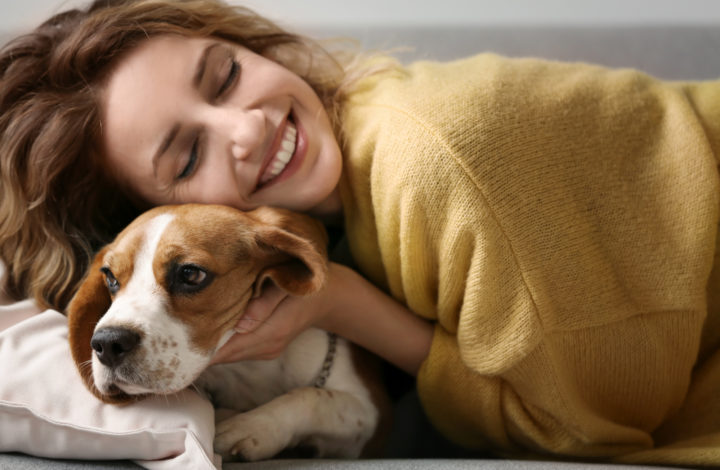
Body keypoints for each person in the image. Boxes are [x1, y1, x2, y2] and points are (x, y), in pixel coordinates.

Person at [1, 0, 719, 465]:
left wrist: (340, 300)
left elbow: (589, 426)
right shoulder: (332, 197)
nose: (249, 126)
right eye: (188, 156)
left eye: (224, 76)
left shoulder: (431, 160)